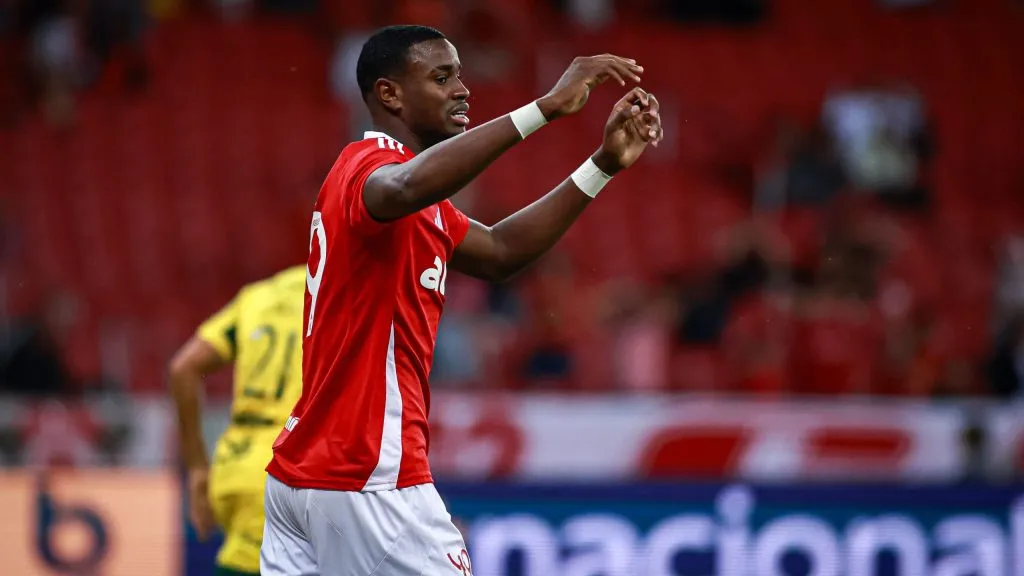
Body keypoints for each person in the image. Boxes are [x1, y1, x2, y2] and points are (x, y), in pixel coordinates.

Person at [261, 25, 663, 576]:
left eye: (461, 75)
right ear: (390, 94)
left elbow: (499, 251)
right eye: (441, 77)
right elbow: (400, 189)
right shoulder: (367, 165)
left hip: (304, 475)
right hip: (369, 474)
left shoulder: (419, 199)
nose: (462, 89)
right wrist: (543, 108)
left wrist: (602, 167)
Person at [169, 266, 306, 576]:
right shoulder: (338, 294)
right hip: (287, 467)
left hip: (234, 462)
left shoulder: (257, 296)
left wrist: (197, 468)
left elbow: (183, 368)